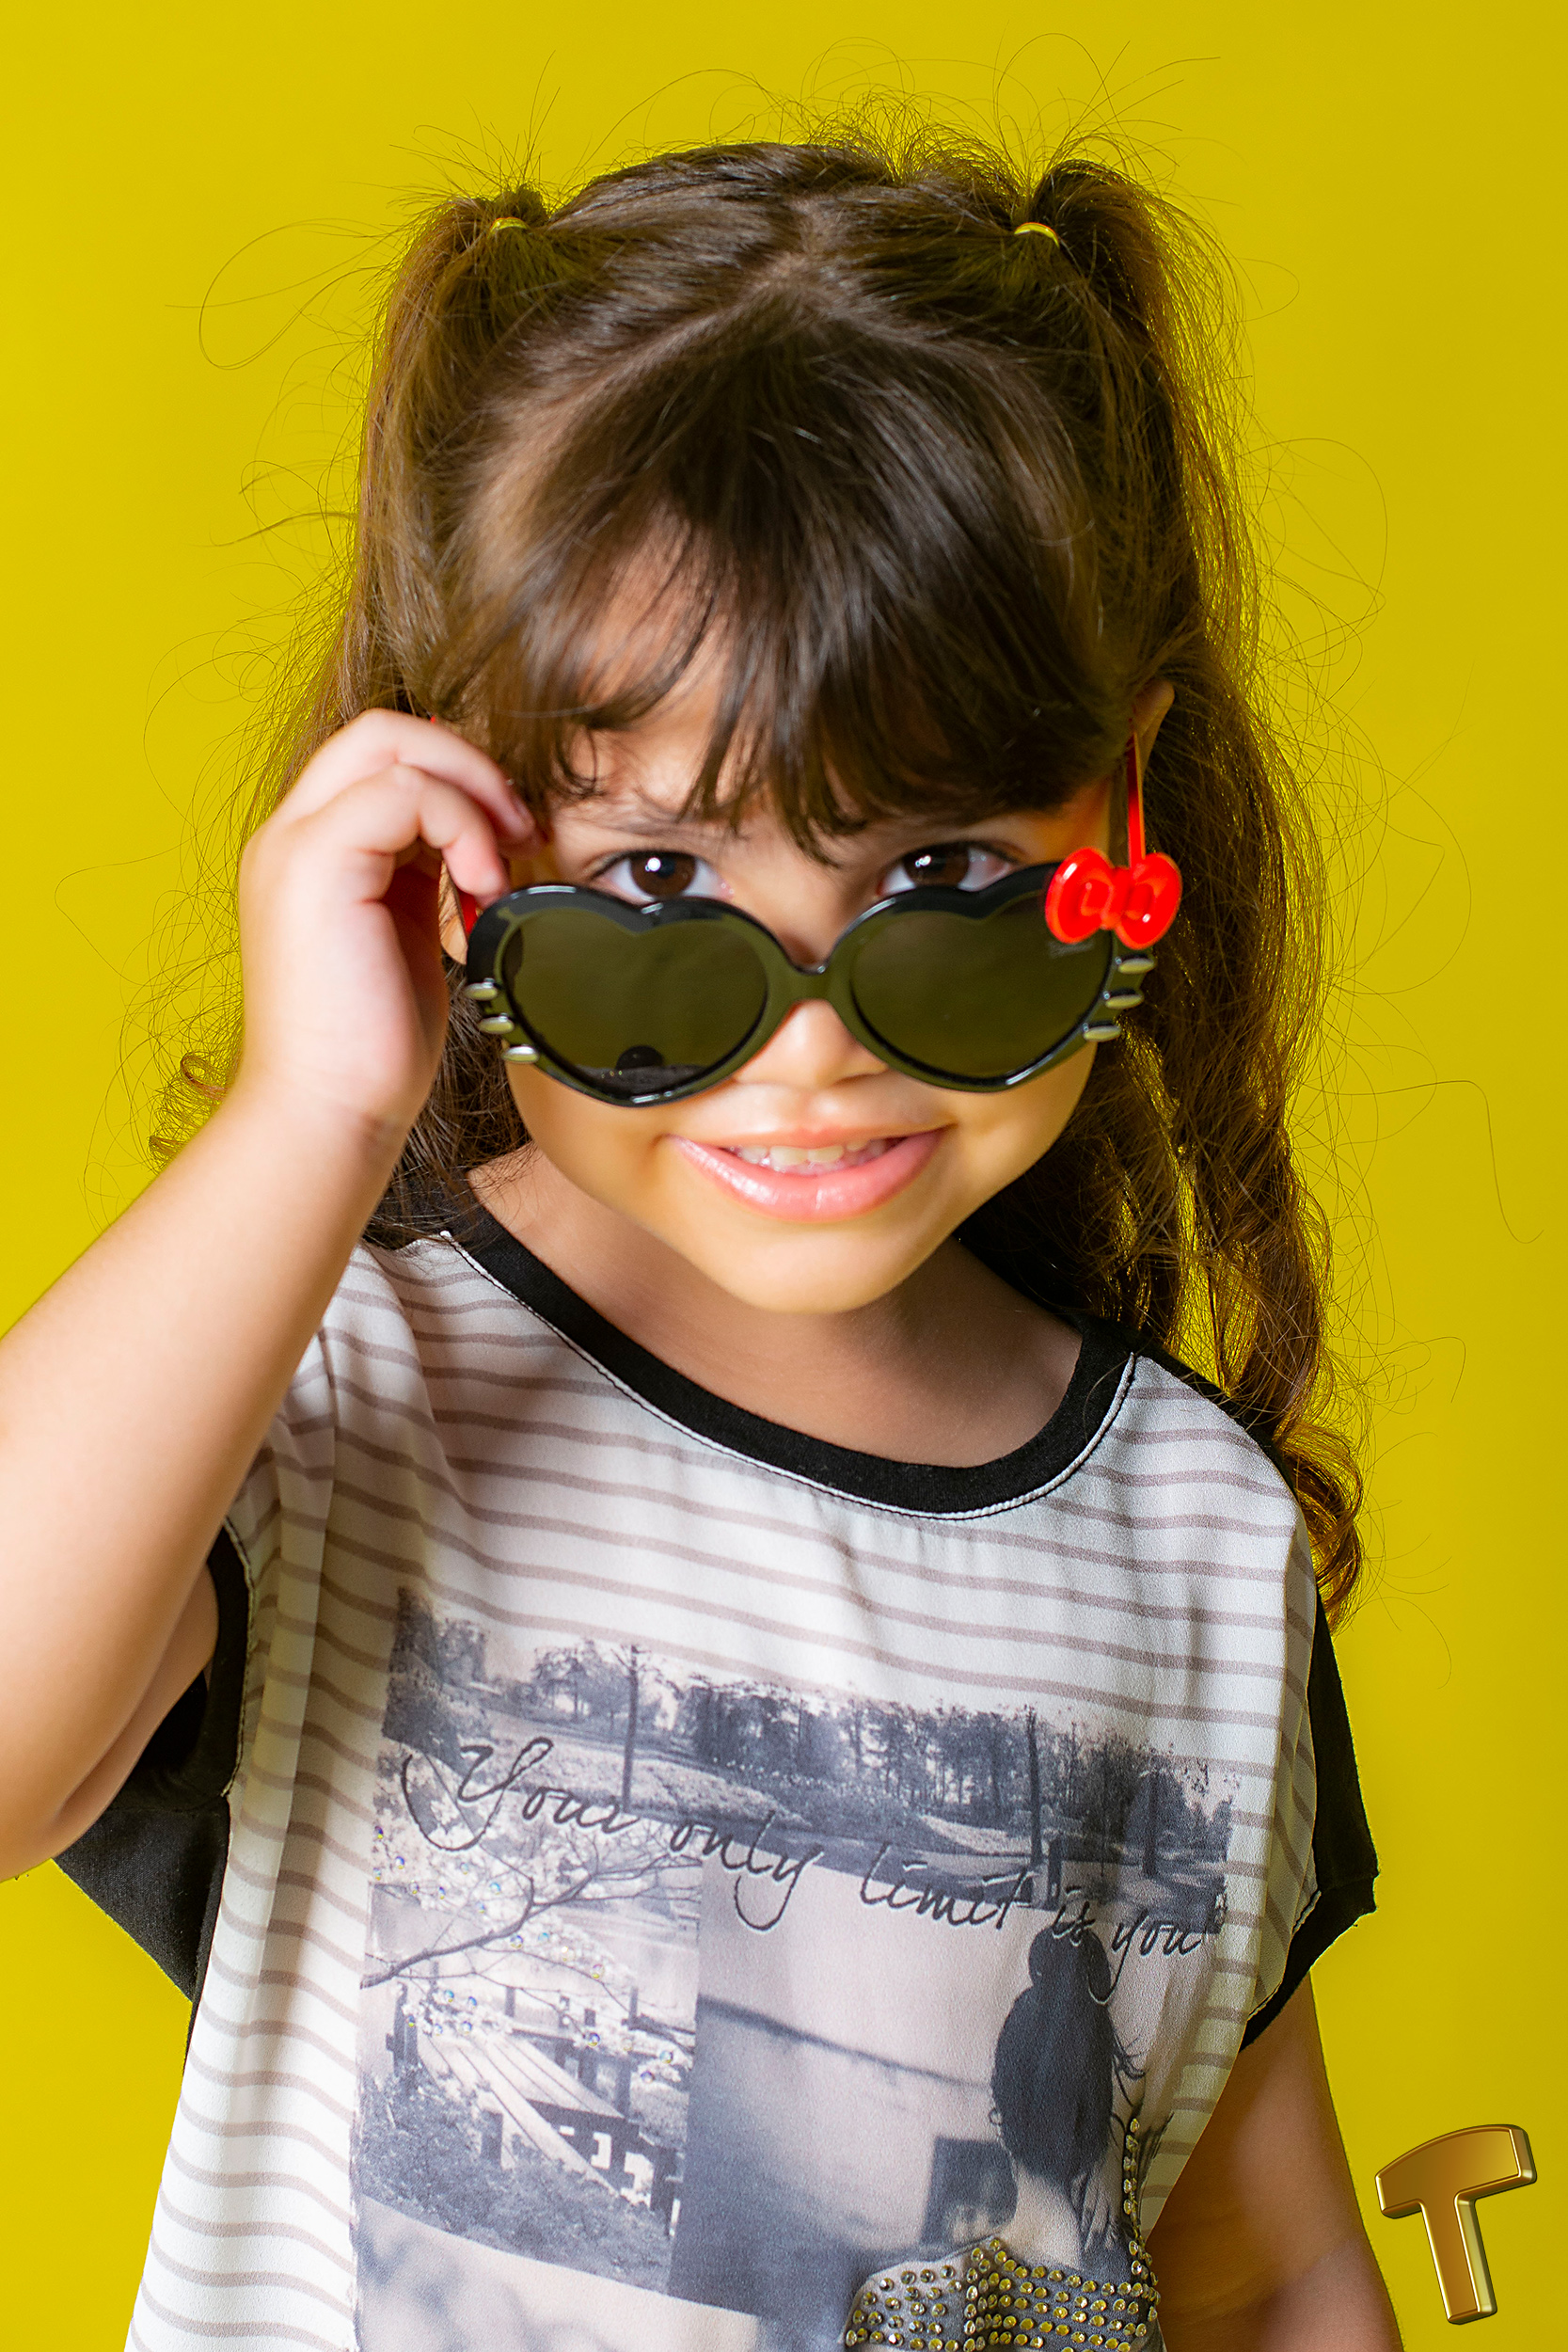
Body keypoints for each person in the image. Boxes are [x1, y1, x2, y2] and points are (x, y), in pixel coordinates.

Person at [0, 125, 1402, 2352]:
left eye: (949, 888)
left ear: (1130, 799)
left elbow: (1262, 2260)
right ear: (456, 830)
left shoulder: (1192, 1541)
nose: (815, 1051)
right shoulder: (341, 1389)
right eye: (660, 893)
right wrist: (307, 1115)